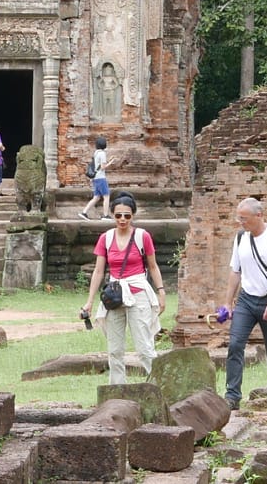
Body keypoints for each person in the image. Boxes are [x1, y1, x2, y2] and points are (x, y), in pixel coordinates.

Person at [220, 198, 267, 421]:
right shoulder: (240, 238)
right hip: (246, 300)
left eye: (244, 218)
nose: (240, 222)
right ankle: (232, 396)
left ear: (259, 216)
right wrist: (228, 302)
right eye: (239, 217)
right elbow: (235, 271)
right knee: (235, 345)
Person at [80, 193, 166, 384]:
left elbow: (153, 266)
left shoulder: (142, 236)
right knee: (115, 349)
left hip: (138, 293)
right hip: (115, 294)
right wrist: (89, 302)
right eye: (118, 215)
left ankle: (158, 387)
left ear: (133, 216)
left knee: (144, 348)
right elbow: (99, 270)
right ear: (112, 215)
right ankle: (117, 392)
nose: (122, 219)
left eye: (127, 215)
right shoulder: (106, 238)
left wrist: (161, 292)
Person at [77, 137, 111, 219]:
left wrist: (108, 161)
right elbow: (102, 167)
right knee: (106, 196)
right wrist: (111, 163)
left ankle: (84, 212)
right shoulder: (102, 153)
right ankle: (105, 215)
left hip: (95, 178)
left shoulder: (96, 153)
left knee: (96, 197)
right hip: (101, 178)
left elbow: (98, 166)